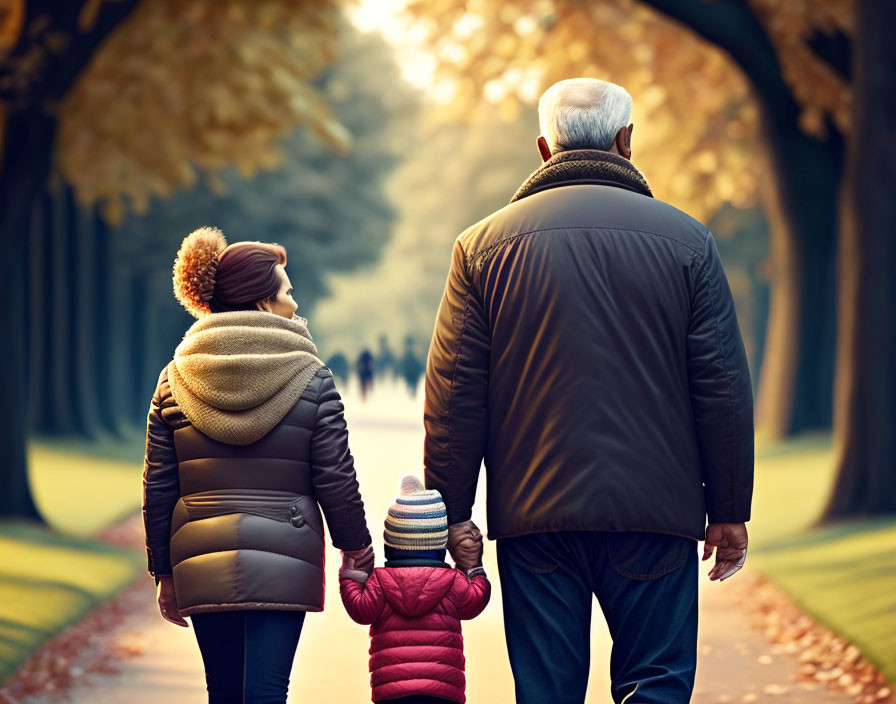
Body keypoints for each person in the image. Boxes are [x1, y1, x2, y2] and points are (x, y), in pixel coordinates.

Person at [423, 77, 754, 703]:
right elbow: (721, 387)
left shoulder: (480, 248)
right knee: (655, 684)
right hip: (655, 511)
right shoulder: (688, 242)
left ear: (544, 148)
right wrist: (730, 507)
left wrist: (452, 511)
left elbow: (454, 397)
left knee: (547, 691)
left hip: (535, 515)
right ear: (626, 142)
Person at [143, 226, 375, 703]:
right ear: (265, 303)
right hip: (284, 556)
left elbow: (160, 487)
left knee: (222, 692)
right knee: (268, 691)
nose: (295, 303)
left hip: (201, 555)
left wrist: (164, 571)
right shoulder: (312, 379)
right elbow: (335, 477)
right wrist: (357, 547)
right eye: (288, 292)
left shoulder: (173, 381)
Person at [340, 475, 490, 704]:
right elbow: (475, 600)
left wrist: (352, 573)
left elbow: (360, 610)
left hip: (392, 691)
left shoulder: (379, 582)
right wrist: (473, 566)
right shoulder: (453, 581)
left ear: (389, 544)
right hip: (442, 690)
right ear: (441, 546)